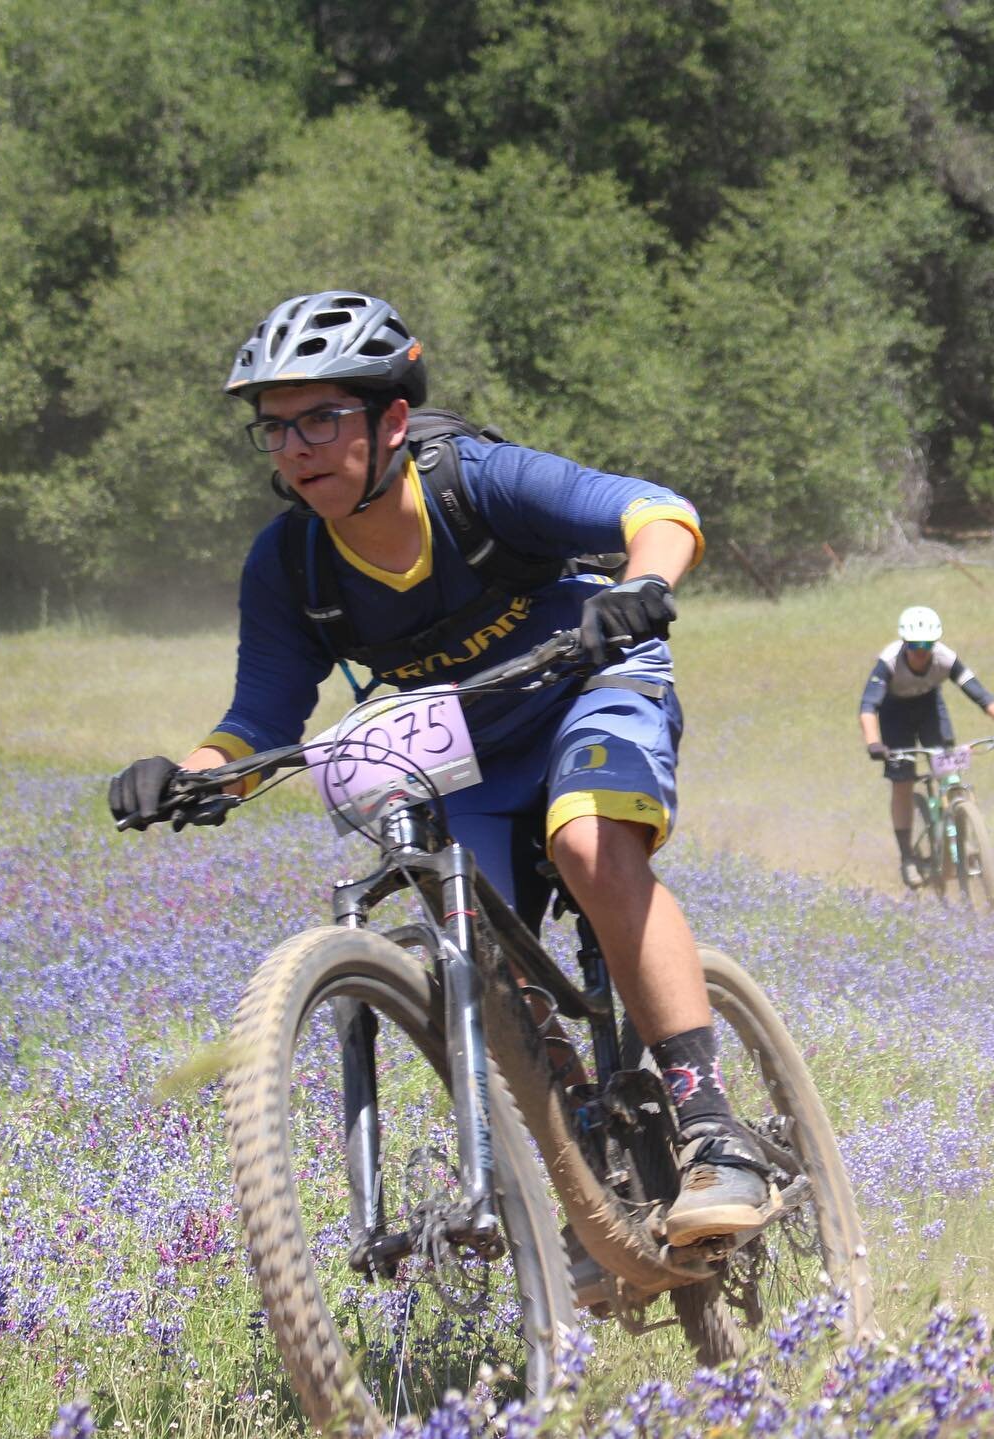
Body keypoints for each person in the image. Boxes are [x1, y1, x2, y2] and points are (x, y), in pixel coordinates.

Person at [109, 289, 773, 1244]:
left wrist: (641, 587)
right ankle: (582, 1157)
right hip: (466, 747)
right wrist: (190, 773)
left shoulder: (475, 483)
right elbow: (260, 719)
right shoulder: (289, 566)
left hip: (588, 681)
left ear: (392, 420)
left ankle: (716, 1131)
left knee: (591, 845)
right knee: (478, 956)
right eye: (277, 429)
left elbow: (656, 511)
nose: (298, 447)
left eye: (324, 419)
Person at [858, 605, 994, 888]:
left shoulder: (945, 658)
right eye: (915, 645)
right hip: (895, 716)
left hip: (930, 708)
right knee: (903, 781)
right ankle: (907, 856)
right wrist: (873, 742)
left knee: (948, 768)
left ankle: (963, 826)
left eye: (927, 645)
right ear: (905, 643)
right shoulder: (889, 662)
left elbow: (979, 694)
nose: (921, 652)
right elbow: (869, 706)